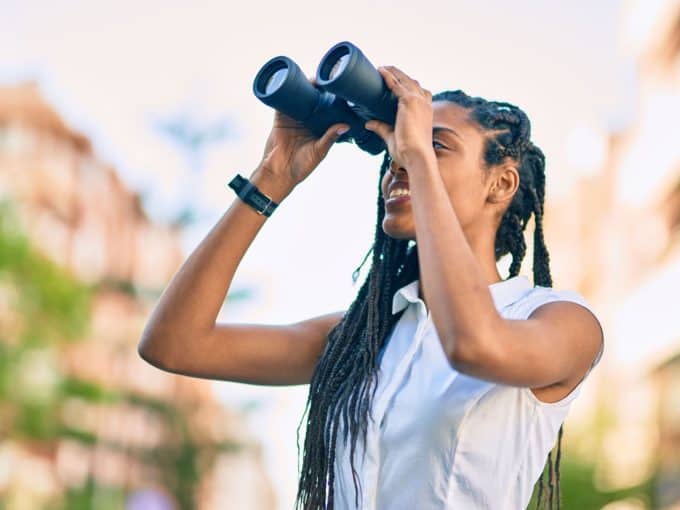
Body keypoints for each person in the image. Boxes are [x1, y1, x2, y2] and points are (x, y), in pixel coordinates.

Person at [138, 65, 604, 510]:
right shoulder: (361, 337)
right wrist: (273, 176)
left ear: (501, 184)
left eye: (435, 145)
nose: (399, 161)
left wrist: (415, 154)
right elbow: (174, 345)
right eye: (394, 152)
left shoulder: (561, 320)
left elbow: (472, 343)